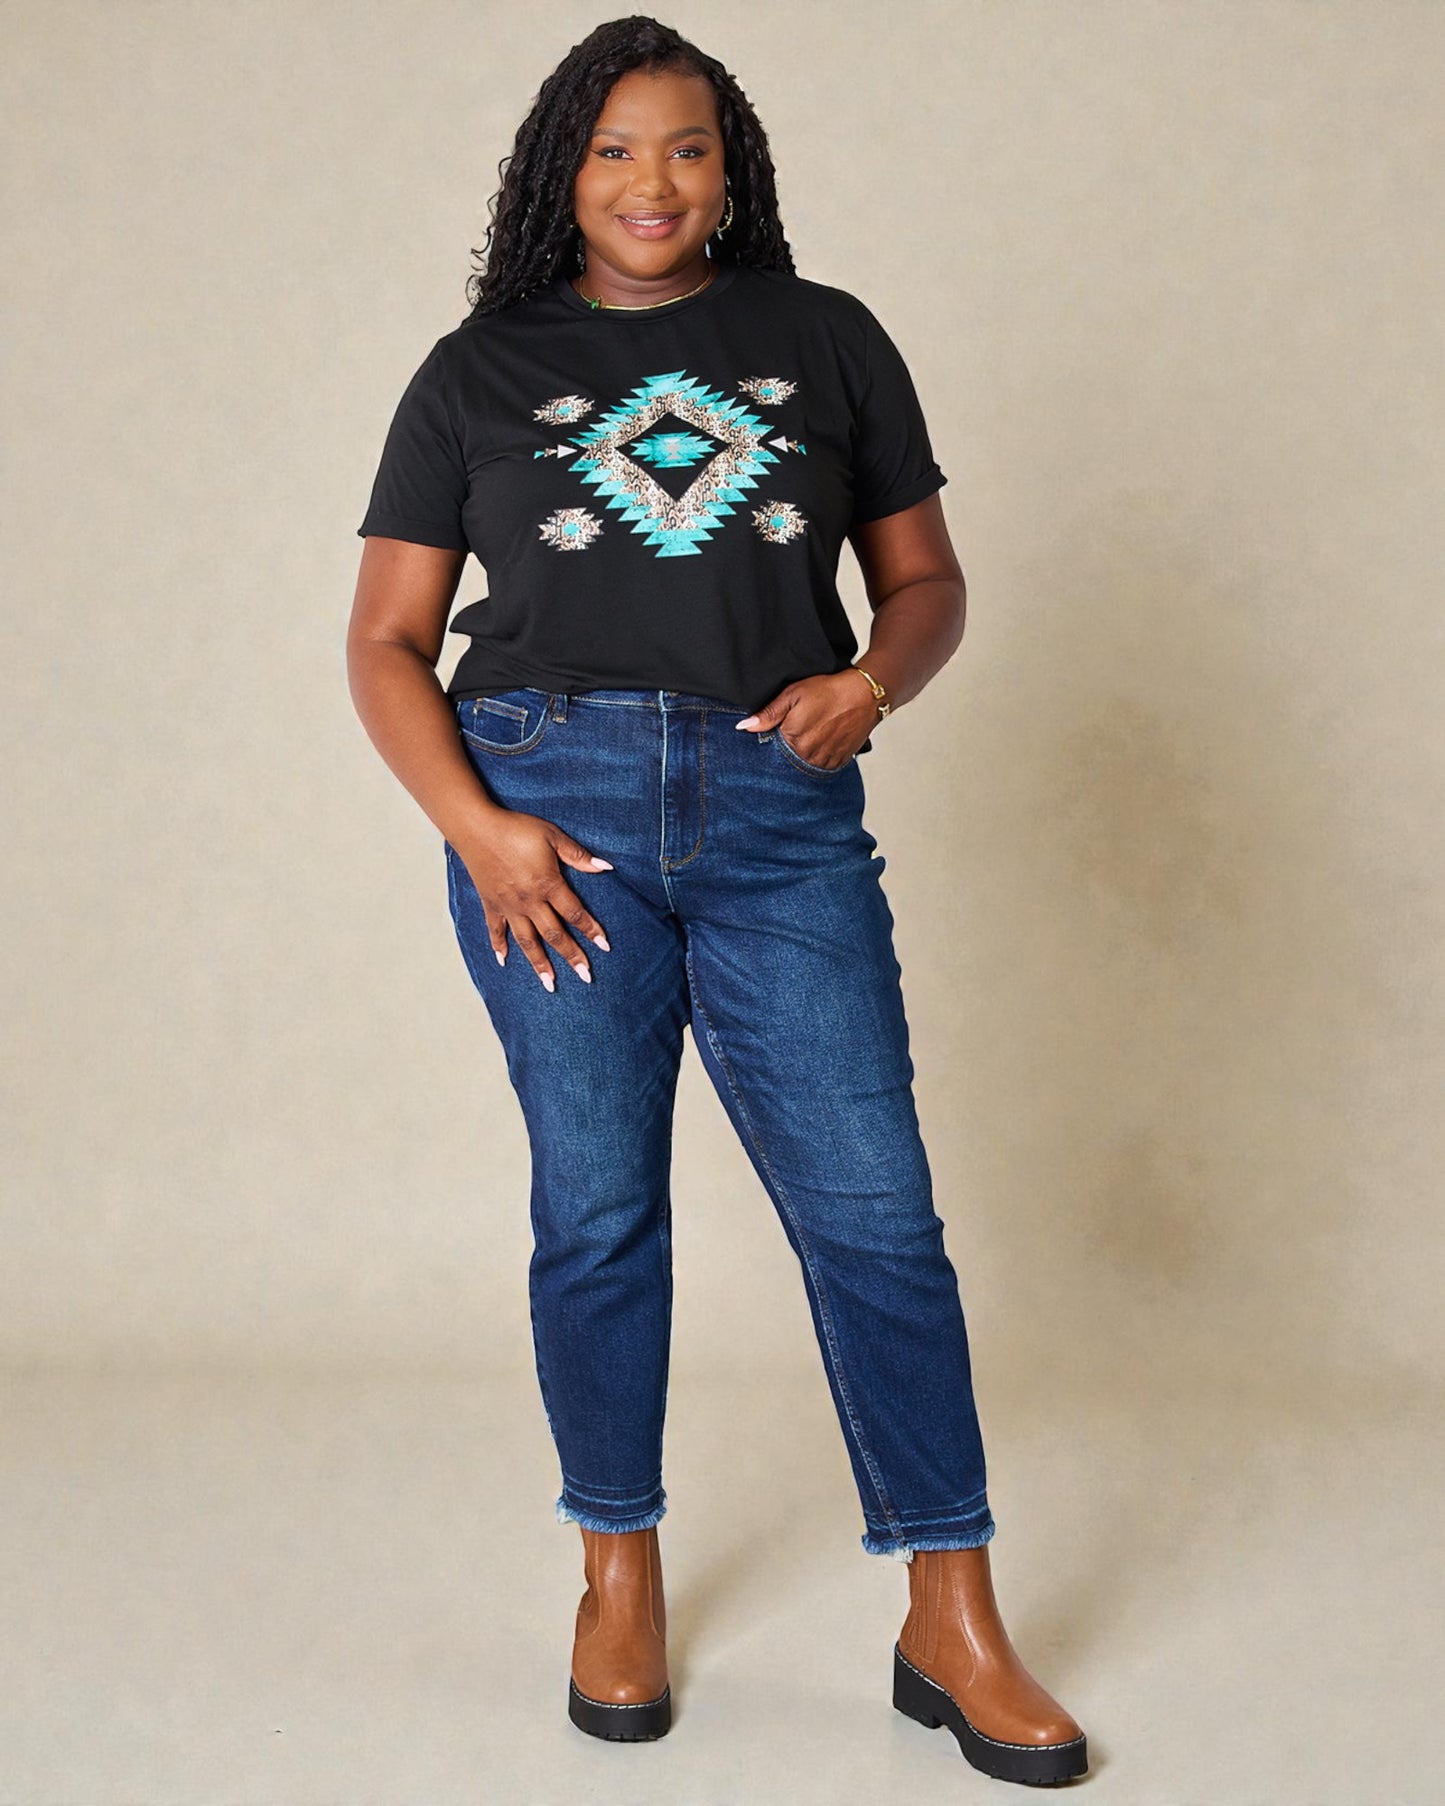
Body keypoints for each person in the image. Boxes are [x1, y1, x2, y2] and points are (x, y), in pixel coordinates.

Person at [347, 16, 1088, 1787]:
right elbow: (382, 644)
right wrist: (479, 828)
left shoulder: (823, 341)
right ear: (558, 175)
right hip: (553, 824)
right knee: (597, 1214)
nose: (650, 183)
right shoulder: (475, 370)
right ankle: (617, 1567)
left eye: (685, 148)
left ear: (730, 167)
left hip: (778, 811)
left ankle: (951, 1609)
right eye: (610, 151)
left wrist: (876, 686)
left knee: (877, 1219)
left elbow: (923, 582)